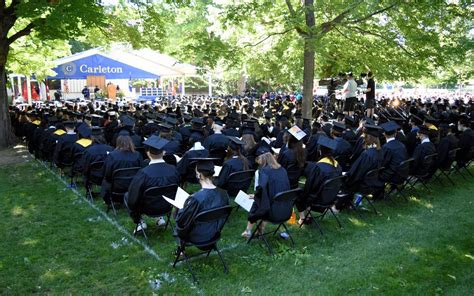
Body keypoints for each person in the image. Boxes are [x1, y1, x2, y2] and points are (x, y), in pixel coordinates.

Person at [124, 136, 180, 233]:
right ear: (164, 152)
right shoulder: (173, 170)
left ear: (148, 153)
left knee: (128, 195)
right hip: (167, 206)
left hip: (147, 208)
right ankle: (160, 218)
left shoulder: (144, 173)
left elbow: (133, 197)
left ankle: (140, 222)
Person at [175, 159, 230, 244]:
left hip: (196, 236)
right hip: (214, 233)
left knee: (177, 213)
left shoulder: (195, 199)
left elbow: (182, 221)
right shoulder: (224, 193)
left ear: (199, 175)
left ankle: (181, 248)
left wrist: (182, 208)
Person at [241, 151, 290, 238]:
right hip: (286, 209)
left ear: (263, 162)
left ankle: (248, 231)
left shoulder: (264, 172)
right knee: (264, 201)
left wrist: (256, 196)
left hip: (272, 213)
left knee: (257, 203)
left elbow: (261, 192)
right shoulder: (283, 170)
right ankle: (260, 230)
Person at [296, 137, 342, 224]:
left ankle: (303, 218)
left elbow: (310, 187)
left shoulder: (319, 167)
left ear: (320, 151)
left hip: (319, 200)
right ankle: (308, 216)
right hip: (331, 198)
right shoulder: (338, 166)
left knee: (299, 193)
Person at [339, 125, 384, 207]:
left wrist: (346, 174)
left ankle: (339, 205)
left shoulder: (367, 154)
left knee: (344, 180)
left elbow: (356, 174)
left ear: (367, 137)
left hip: (363, 184)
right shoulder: (379, 152)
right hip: (373, 181)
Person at [101, 135, 143, 205]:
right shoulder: (137, 155)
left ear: (118, 143)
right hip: (133, 186)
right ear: (131, 143)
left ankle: (107, 199)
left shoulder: (112, 156)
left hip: (116, 187)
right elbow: (141, 172)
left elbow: (107, 174)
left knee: (105, 181)